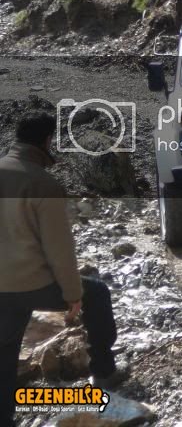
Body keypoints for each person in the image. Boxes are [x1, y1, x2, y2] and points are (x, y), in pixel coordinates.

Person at [0, 111, 122, 427]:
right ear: (47, 141)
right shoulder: (43, 183)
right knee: (97, 292)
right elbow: (59, 249)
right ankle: (104, 372)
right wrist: (72, 295)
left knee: (6, 348)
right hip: (32, 285)